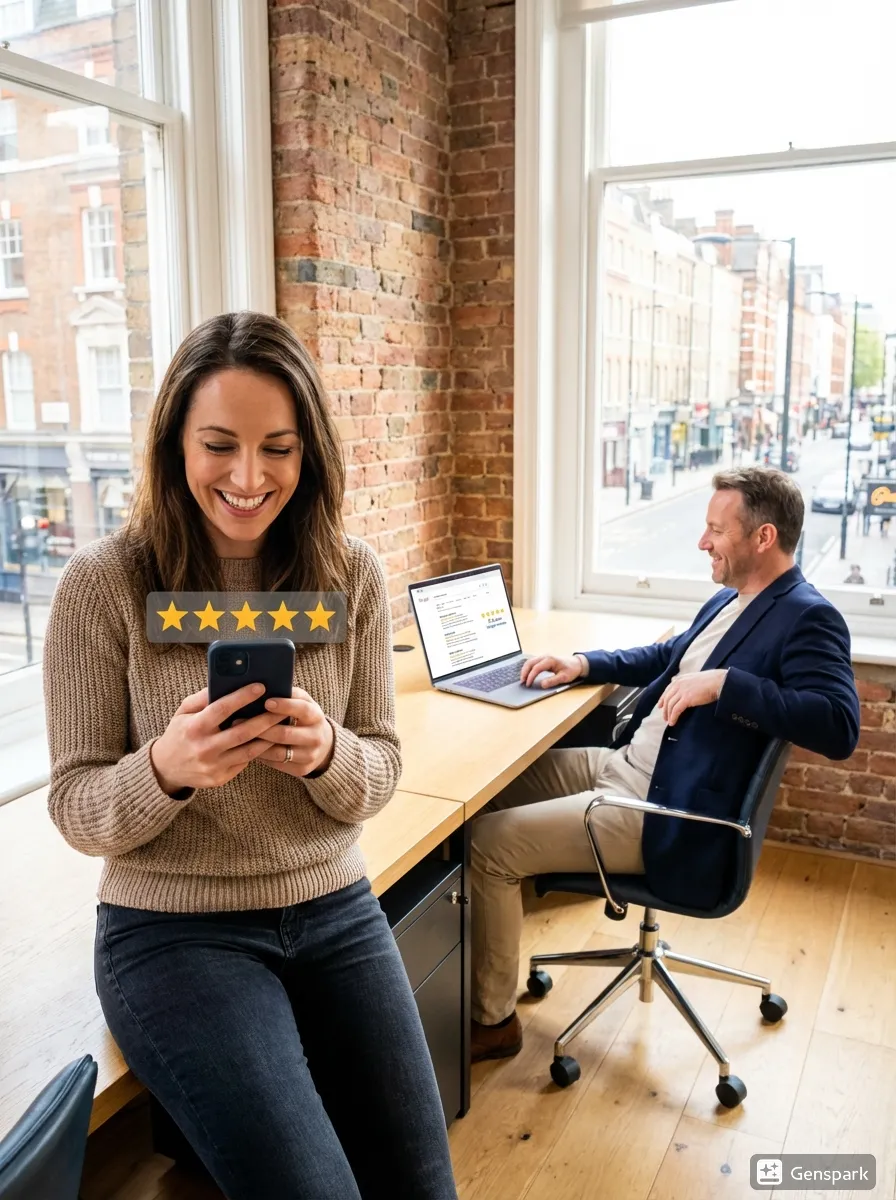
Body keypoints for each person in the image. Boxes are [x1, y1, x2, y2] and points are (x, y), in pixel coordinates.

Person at [44, 313, 458, 1200]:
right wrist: (166, 769)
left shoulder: (350, 572)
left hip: (334, 907)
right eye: (218, 445)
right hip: (173, 930)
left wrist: (327, 753)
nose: (247, 477)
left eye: (277, 448)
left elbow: (382, 763)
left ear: (309, 452)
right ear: (174, 444)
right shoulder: (103, 584)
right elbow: (75, 806)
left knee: (425, 1187)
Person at [470, 467, 859, 1063]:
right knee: (488, 793)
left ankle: (492, 1021)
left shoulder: (808, 616)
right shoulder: (733, 598)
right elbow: (669, 657)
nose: (703, 542)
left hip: (667, 810)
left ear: (763, 537)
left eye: (716, 530)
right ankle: (478, 963)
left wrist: (726, 685)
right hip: (627, 766)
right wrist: (583, 664)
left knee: (489, 845)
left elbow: (838, 725)